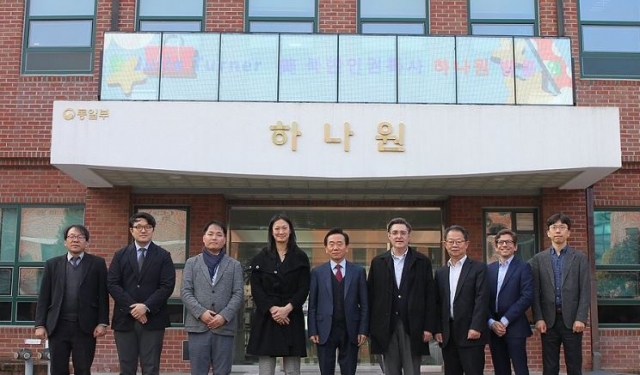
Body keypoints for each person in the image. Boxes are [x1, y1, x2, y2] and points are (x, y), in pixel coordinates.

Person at [34, 225, 109, 375]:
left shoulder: (97, 264)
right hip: (58, 326)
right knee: (58, 369)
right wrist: (40, 324)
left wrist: (102, 323)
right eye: (72, 236)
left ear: (86, 242)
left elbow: (103, 296)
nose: (75, 240)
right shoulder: (52, 264)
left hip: (85, 327)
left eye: (80, 237)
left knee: (83, 369)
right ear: (65, 242)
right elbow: (44, 297)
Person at [107, 212, 176, 375]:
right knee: (126, 367)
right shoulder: (120, 255)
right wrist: (133, 308)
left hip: (153, 319)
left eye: (147, 227)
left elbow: (167, 286)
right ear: (131, 230)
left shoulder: (163, 256)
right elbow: (112, 283)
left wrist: (146, 307)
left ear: (152, 230)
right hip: (125, 319)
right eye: (138, 227)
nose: (143, 230)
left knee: (151, 367)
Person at [367, 217, 436, 375]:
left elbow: (430, 297)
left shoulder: (422, 262)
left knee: (412, 370)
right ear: (389, 236)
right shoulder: (378, 262)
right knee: (390, 370)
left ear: (409, 236)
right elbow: (371, 296)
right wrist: (371, 328)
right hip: (386, 326)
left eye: (403, 233)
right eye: (395, 233)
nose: (399, 236)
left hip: (413, 326)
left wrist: (428, 327)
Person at [246, 213, 311, 375]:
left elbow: (304, 288)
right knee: (266, 370)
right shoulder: (260, 257)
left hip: (291, 315)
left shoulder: (300, 257)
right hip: (267, 317)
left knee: (292, 370)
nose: (280, 232)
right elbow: (257, 289)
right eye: (277, 228)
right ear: (271, 231)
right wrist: (273, 309)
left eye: (284, 228)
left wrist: (287, 309)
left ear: (290, 231)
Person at [530, 213, 590, 375]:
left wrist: (581, 318)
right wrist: (539, 318)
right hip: (548, 321)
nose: (558, 231)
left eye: (562, 227)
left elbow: (585, 290)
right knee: (549, 367)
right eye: (554, 228)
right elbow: (535, 292)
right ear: (548, 233)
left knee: (574, 365)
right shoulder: (538, 259)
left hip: (572, 321)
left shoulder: (579, 258)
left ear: (568, 232)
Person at [181, 220, 244, 375]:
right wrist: (201, 313)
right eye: (210, 234)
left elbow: (238, 293)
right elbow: (186, 291)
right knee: (198, 371)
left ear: (224, 239)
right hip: (198, 326)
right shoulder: (192, 263)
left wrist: (224, 316)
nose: (214, 238)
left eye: (219, 235)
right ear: (204, 238)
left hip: (224, 327)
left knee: (223, 371)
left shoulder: (234, 265)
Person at [308, 228, 369, 375]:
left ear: (347, 248)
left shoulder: (358, 271)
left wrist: (363, 329)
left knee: (349, 370)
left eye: (340, 244)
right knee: (326, 370)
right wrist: (313, 329)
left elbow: (365, 304)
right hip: (324, 329)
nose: (335, 247)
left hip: (351, 329)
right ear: (326, 248)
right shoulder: (317, 272)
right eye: (331, 244)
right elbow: (312, 304)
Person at [434, 225, 489, 375]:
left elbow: (482, 299)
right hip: (448, 334)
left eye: (458, 241)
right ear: (444, 244)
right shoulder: (441, 272)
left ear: (466, 244)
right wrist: (438, 329)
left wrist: (476, 327)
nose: (454, 245)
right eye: (450, 242)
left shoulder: (479, 268)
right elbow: (437, 302)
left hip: (471, 332)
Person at [486, 229, 533, 375]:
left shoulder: (523, 267)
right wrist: (491, 322)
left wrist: (505, 320)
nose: (504, 245)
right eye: (501, 242)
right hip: (494, 329)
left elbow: (527, 296)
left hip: (515, 326)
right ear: (496, 246)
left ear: (515, 246)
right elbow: (483, 299)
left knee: (520, 369)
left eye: (508, 242)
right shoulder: (488, 269)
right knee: (500, 370)